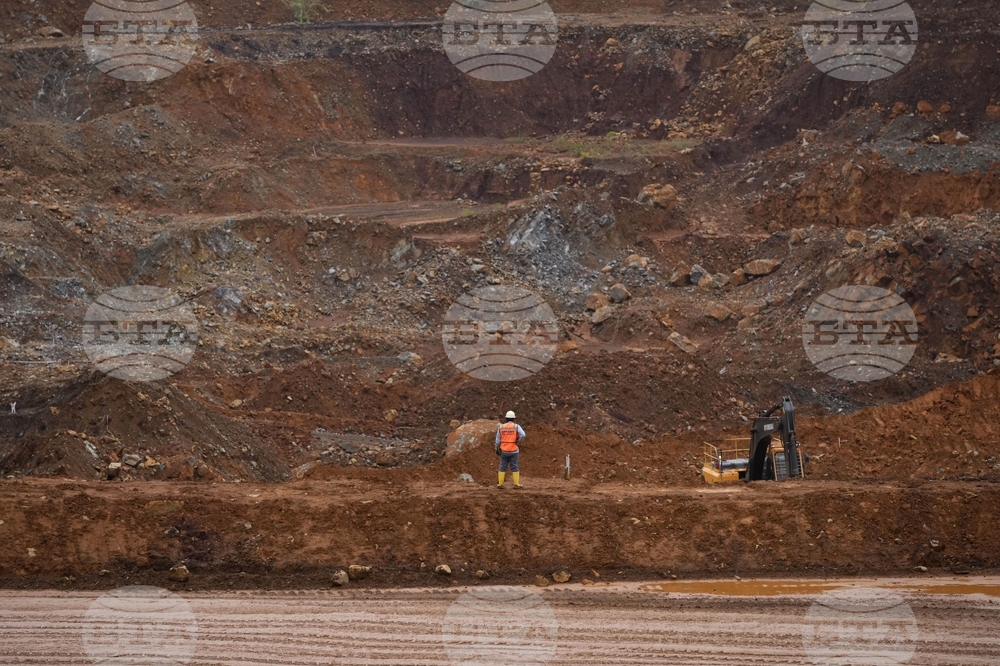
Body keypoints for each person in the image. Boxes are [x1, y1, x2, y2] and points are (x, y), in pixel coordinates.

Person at [495, 410, 525, 489]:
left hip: (504, 450)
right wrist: (518, 441)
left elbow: (497, 440)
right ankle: (516, 484)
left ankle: (500, 484)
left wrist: (496, 448)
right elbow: (523, 435)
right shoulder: (516, 426)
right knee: (514, 466)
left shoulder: (501, 427)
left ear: (506, 418)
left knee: (502, 466)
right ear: (513, 418)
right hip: (514, 450)